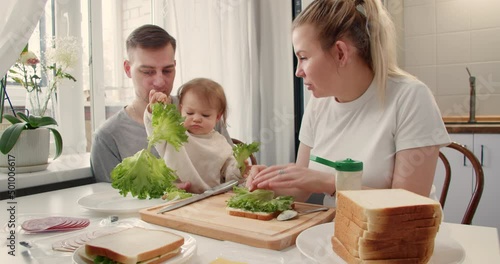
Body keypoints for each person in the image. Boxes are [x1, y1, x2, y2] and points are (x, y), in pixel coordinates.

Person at [246, 0, 451, 206]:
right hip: (338, 231)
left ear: (340, 53)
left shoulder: (410, 98)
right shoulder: (319, 104)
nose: (298, 71)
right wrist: (268, 181)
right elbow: (300, 191)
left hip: (400, 236)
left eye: (304, 57)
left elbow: (409, 205)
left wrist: (331, 183)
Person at [90, 25, 232, 183]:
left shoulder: (203, 112)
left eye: (167, 70)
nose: (159, 82)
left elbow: (233, 175)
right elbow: (110, 200)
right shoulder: (107, 138)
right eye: (148, 71)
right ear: (128, 69)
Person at [144, 78, 242, 193]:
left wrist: (240, 167)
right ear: (181, 110)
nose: (196, 119)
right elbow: (154, 127)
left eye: (205, 115)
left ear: (217, 117)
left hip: (211, 198)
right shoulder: (174, 133)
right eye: (189, 113)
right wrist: (154, 109)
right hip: (176, 196)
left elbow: (230, 174)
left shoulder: (220, 143)